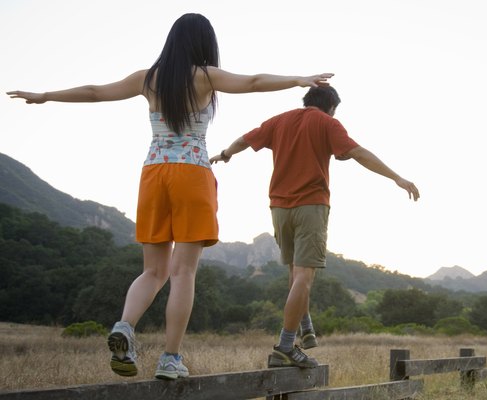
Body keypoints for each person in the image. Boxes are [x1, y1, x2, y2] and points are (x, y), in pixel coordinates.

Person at [6, 13, 332, 380]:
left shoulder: (149, 78)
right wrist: (297, 80)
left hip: (153, 173)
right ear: (204, 43)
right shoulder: (205, 76)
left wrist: (46, 96)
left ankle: (125, 327)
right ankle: (170, 358)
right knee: (183, 272)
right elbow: (254, 82)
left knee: (153, 270)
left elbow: (96, 92)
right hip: (192, 173)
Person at [209, 86, 419, 368]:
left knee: (295, 272)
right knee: (304, 276)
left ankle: (305, 324)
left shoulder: (280, 120)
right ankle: (285, 347)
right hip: (311, 205)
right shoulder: (327, 122)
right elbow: (358, 152)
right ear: (330, 106)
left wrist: (225, 153)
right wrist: (397, 177)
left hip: (279, 207)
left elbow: (245, 139)